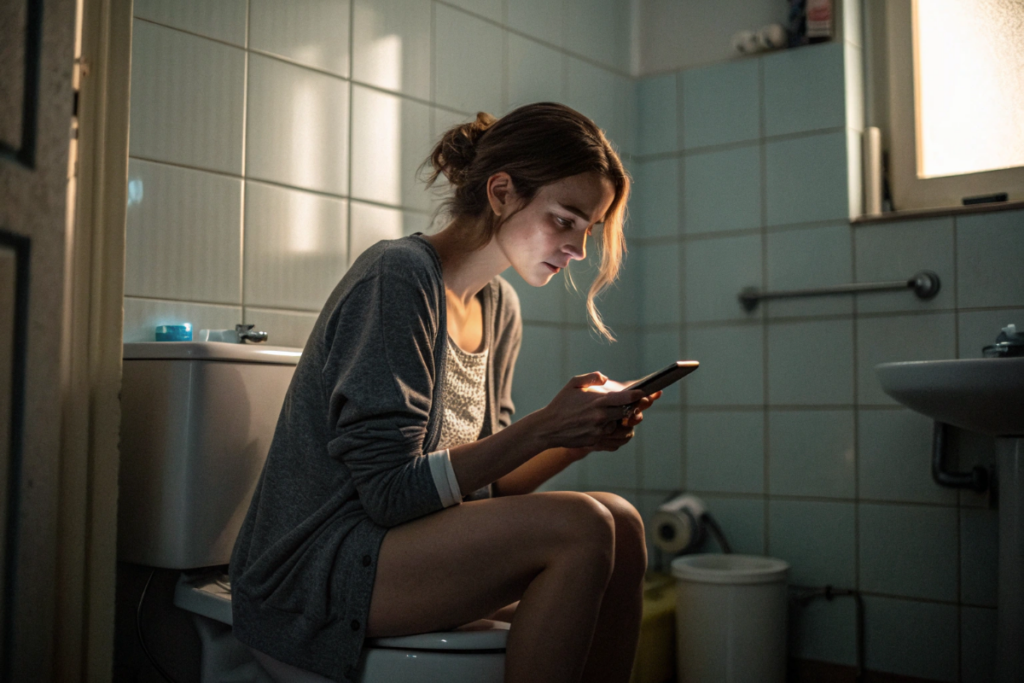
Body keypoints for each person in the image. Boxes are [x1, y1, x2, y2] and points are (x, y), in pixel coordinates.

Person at [230, 102, 661, 683]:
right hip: (317, 568)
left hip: (398, 548)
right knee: (583, 524)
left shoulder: (498, 306)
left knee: (622, 522)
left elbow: (484, 488)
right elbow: (388, 493)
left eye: (588, 231)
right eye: (565, 220)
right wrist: (543, 427)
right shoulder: (400, 276)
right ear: (502, 192)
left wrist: (577, 438)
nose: (577, 251)